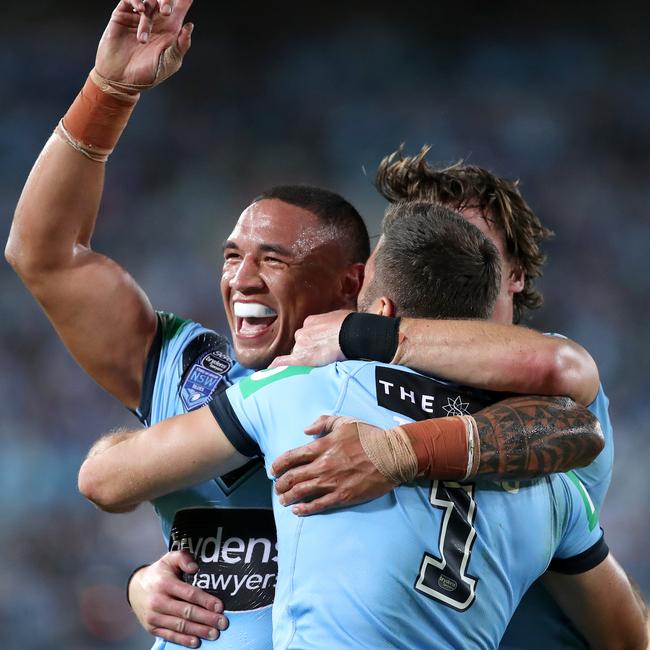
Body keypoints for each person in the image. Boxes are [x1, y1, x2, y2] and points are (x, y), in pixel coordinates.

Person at [5, 2, 608, 647]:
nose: (242, 280)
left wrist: (380, 390)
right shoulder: (192, 371)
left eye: (275, 260)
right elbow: (44, 256)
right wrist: (111, 90)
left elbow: (564, 392)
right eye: (233, 256)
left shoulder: (418, 394)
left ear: (357, 283)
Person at [78, 202, 647, 649]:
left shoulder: (305, 393)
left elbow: (104, 480)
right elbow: (629, 638)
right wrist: (140, 584)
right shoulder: (553, 483)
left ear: (378, 312)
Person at [268, 147, 622, 648]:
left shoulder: (552, 376)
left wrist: (370, 338)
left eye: (465, 241)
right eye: (424, 241)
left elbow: (561, 372)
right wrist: (148, 578)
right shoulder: (352, 379)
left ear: (514, 274)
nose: (445, 257)